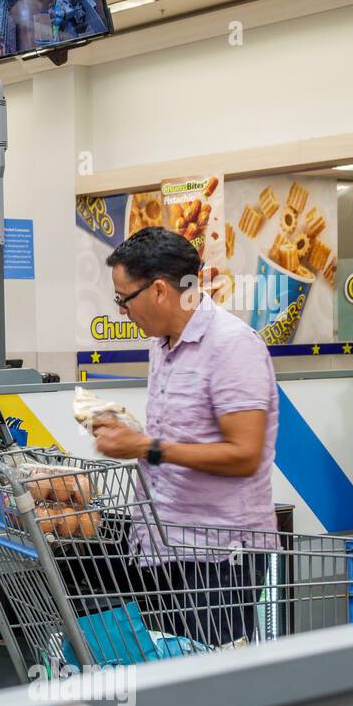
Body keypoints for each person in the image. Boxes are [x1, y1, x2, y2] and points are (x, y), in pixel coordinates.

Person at [93, 227, 278, 647]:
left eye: (124, 298)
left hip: (219, 556)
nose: (121, 310)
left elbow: (244, 454)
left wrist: (146, 447)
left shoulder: (232, 347)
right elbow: (182, 437)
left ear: (159, 290)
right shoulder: (162, 344)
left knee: (210, 689)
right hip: (162, 546)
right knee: (170, 677)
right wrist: (131, 434)